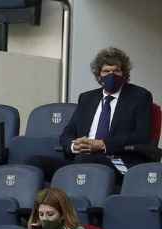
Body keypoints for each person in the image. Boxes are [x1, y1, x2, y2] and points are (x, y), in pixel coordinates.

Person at [43, 47, 154, 180]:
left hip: (118, 160)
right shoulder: (87, 98)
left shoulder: (140, 96)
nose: (111, 75)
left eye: (116, 71)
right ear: (98, 75)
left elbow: (141, 135)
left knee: (86, 160)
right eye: (106, 71)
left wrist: (102, 144)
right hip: (82, 157)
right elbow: (67, 133)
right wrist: (75, 146)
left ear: (124, 74)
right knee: (36, 162)